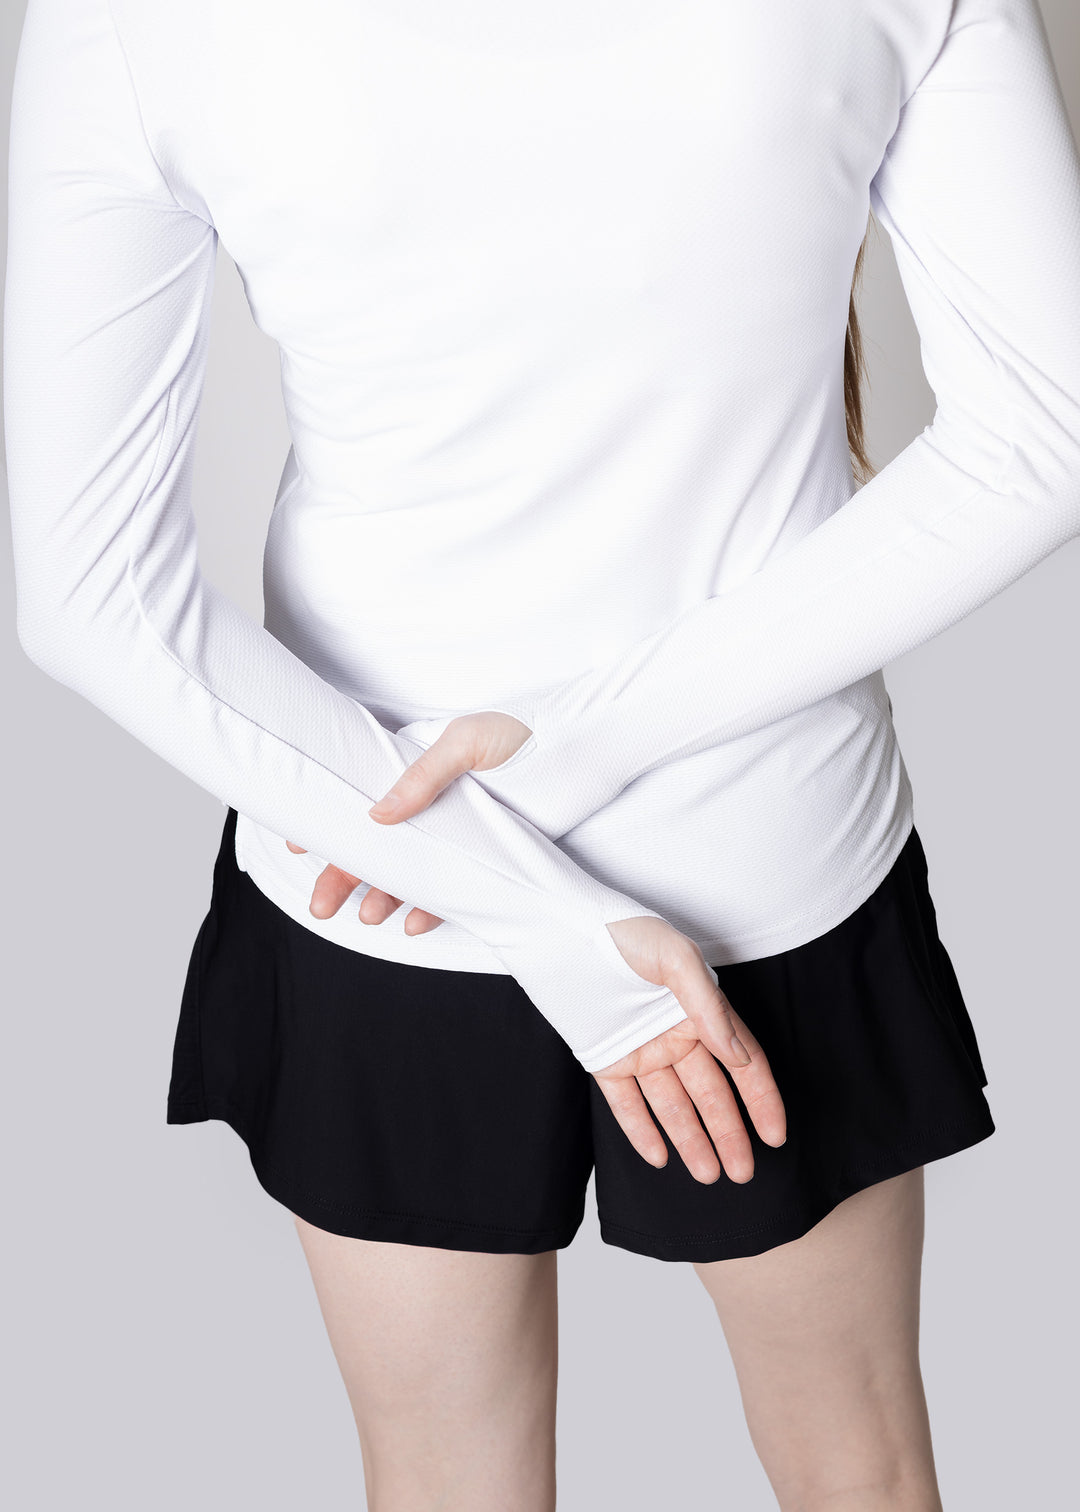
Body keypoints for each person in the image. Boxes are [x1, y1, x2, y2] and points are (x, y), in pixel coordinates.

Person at [5, 0, 1078, 1507]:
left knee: (446, 1480)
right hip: (758, 858)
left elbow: (89, 596)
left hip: (376, 867)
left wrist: (495, 851)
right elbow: (1050, 429)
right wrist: (579, 766)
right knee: (860, 1467)